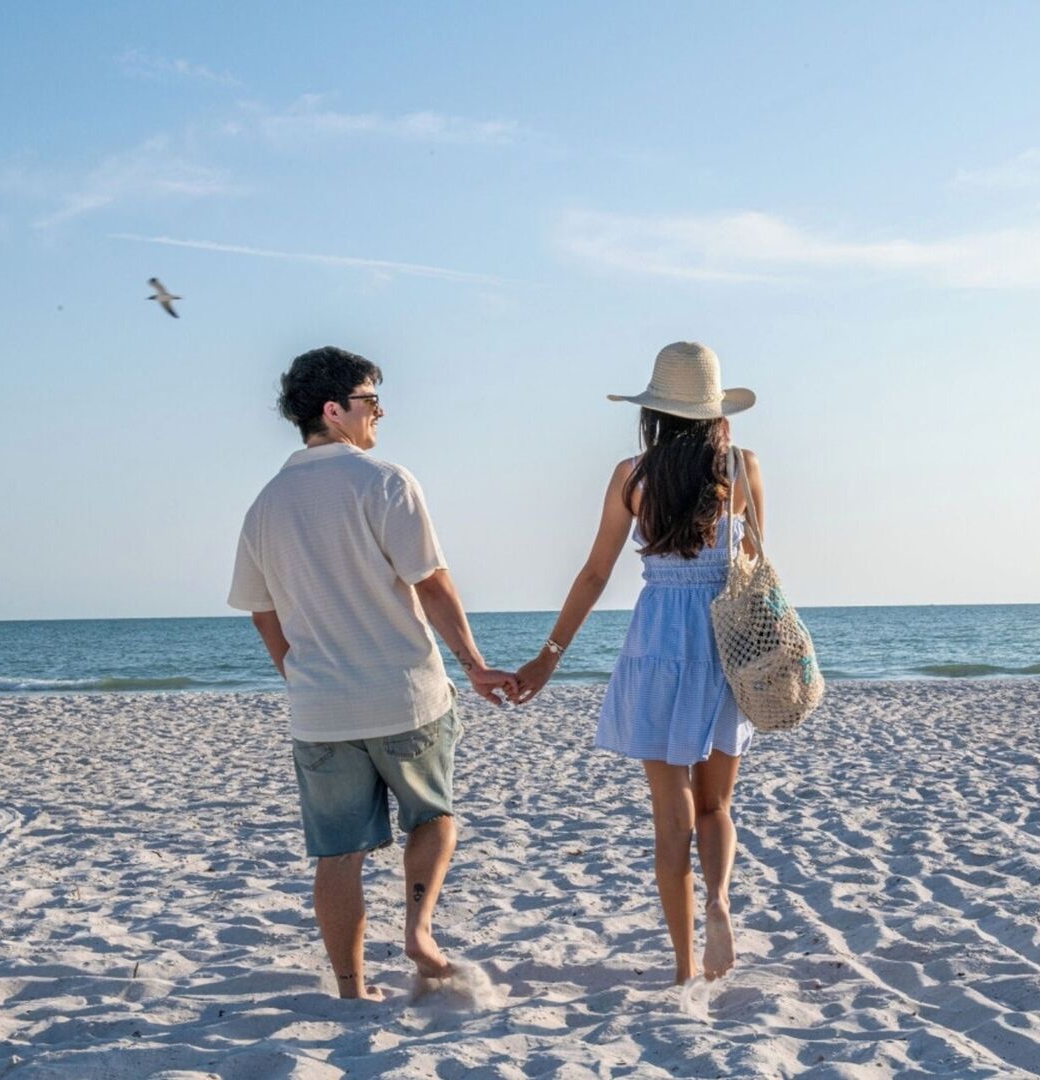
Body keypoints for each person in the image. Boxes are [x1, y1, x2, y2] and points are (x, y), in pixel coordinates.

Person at [227, 345, 516, 1000]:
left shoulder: (265, 504)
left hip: (321, 710)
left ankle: (352, 989)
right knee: (433, 818)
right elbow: (432, 583)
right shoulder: (384, 481)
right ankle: (418, 931)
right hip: (405, 694)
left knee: (337, 856)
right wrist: (474, 665)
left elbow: (262, 613)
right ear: (333, 410)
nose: (379, 412)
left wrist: (298, 677)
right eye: (370, 400)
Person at [515, 341, 762, 984]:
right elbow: (758, 566)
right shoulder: (741, 468)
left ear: (653, 411)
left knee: (670, 817)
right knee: (716, 806)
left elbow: (596, 572)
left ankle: (683, 968)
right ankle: (719, 901)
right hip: (724, 644)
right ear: (714, 411)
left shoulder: (633, 477)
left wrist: (549, 656)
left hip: (657, 643)